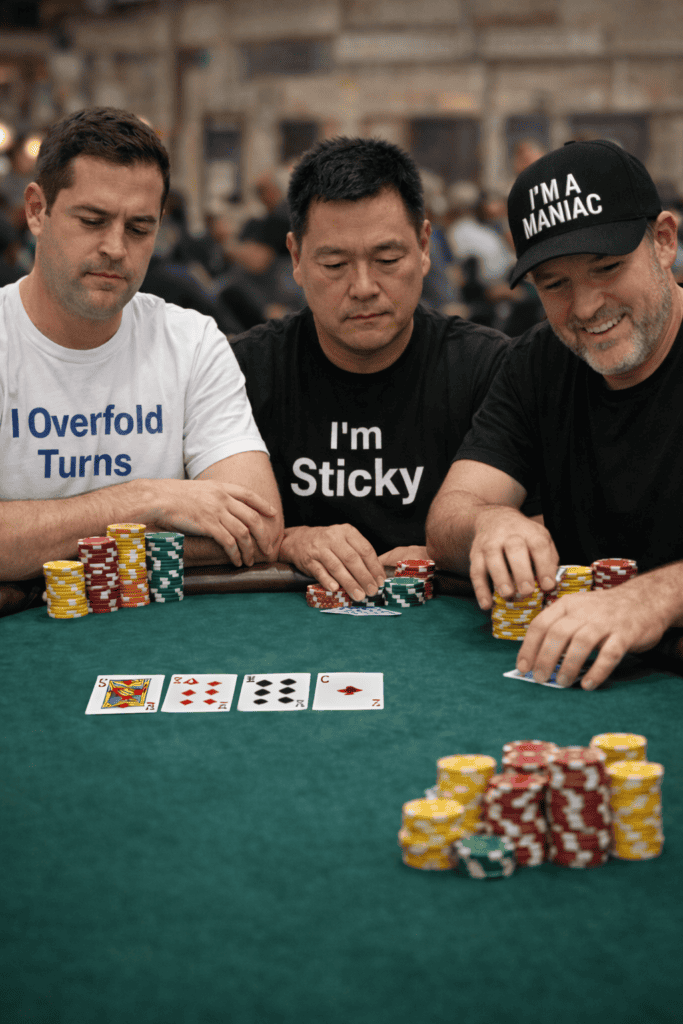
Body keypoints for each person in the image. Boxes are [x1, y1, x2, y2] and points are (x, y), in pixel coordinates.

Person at [426, 138, 683, 691]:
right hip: (584, 681)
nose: (586, 306)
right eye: (555, 284)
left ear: (664, 241)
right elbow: (448, 519)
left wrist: (654, 598)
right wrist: (490, 522)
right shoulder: (538, 360)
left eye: (608, 267)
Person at [0, 107, 283, 581]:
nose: (115, 247)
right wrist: (149, 500)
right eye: (92, 220)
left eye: (138, 228)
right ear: (36, 211)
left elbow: (257, 528)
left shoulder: (191, 343)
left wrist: (34, 542)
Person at [232, 136, 511, 602]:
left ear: (424, 247)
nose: (363, 287)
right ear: (296, 258)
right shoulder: (244, 371)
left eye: (387, 260)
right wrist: (290, 541)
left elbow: (546, 520)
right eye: (335, 263)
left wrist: (444, 552)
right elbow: (203, 523)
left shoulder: (489, 368)